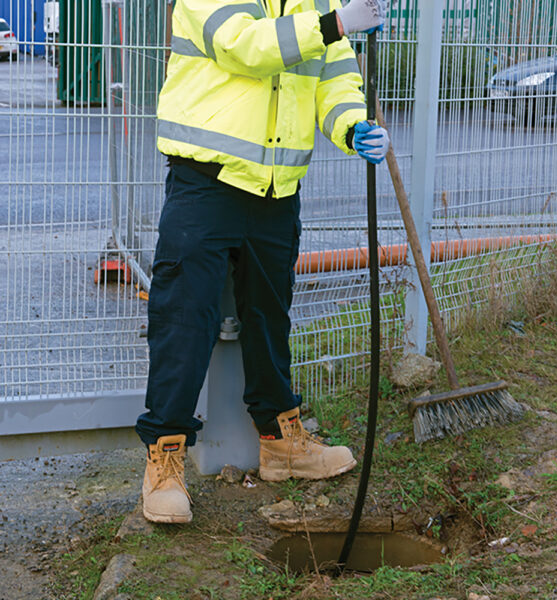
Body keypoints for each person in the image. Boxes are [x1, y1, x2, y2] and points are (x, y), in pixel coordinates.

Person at [136, 0, 390, 523]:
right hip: (206, 181)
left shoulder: (317, 4)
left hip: (277, 189)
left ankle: (281, 443)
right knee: (184, 319)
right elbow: (246, 47)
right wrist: (337, 23)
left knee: (269, 317)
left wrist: (351, 125)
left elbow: (335, 77)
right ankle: (165, 459)